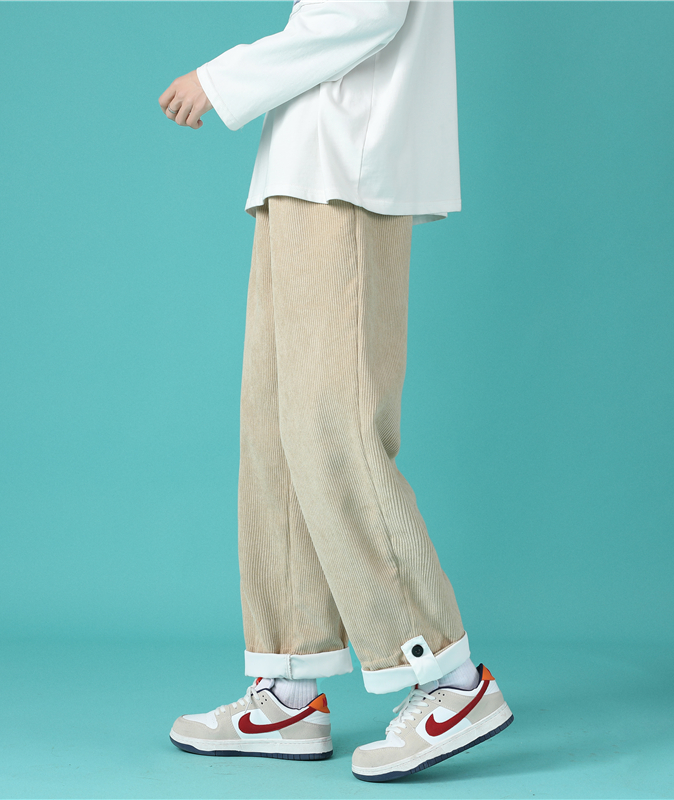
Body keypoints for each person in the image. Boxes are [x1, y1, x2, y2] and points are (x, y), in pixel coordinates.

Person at [157, 0, 513, 782]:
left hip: (346, 163)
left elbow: (365, 13)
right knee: (276, 429)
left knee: (332, 426)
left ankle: (448, 678)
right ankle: (287, 687)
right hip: (304, 164)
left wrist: (222, 78)